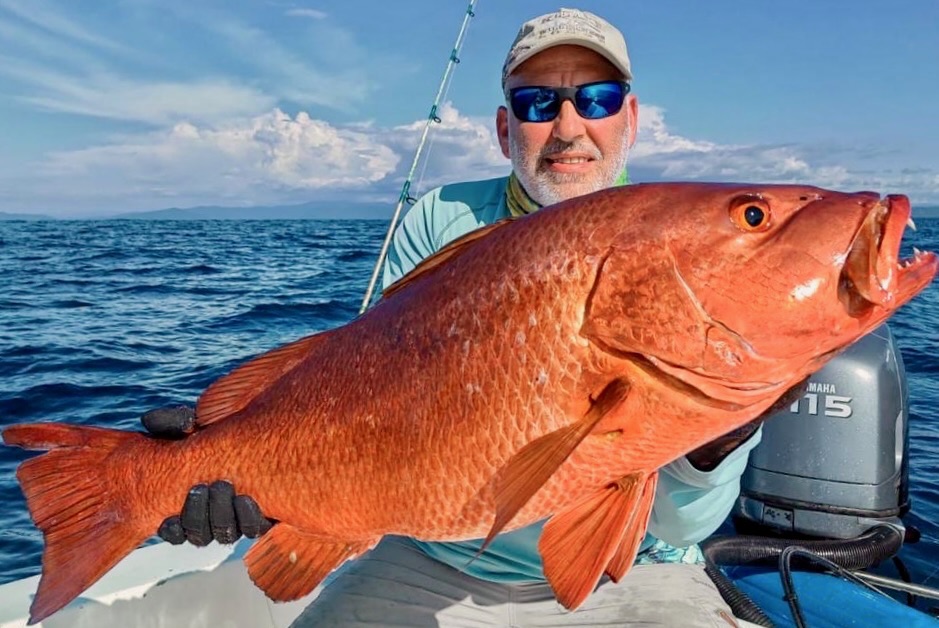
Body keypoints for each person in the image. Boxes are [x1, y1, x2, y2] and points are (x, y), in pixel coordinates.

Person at [146, 8, 764, 626]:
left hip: (636, 566)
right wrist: (234, 464)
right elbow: (359, 402)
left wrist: (721, 439)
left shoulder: (703, 259)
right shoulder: (441, 220)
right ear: (505, 128)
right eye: (537, 102)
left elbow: (685, 522)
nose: (568, 125)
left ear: (630, 119)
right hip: (437, 559)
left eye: (596, 99)